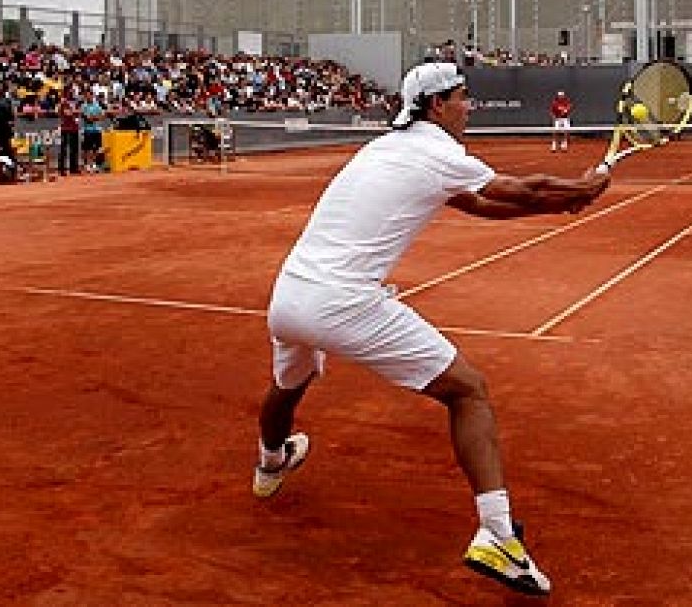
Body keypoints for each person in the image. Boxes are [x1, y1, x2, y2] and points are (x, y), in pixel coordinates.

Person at [252, 62, 611, 597]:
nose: (470, 106)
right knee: (468, 391)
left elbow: (481, 204)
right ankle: (497, 535)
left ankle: (270, 463)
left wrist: (557, 203)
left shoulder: (387, 147)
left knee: (288, 386)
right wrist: (582, 186)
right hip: (345, 303)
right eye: (464, 97)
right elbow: (520, 188)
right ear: (437, 104)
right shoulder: (435, 148)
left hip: (290, 296)